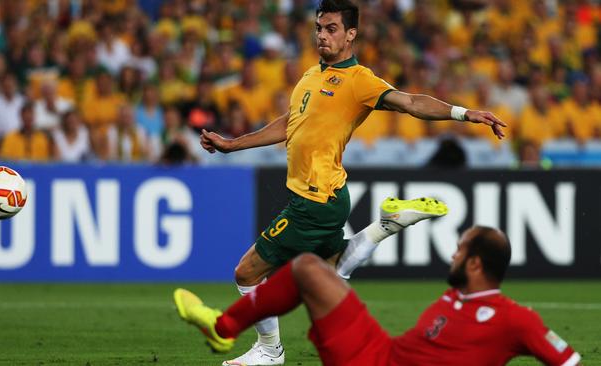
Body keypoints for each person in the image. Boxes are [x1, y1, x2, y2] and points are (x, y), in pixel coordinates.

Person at [198, 1, 506, 364]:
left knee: (247, 273)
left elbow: (410, 102)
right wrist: (234, 144)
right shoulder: (311, 75)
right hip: (327, 195)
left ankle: (270, 351)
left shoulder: (359, 80)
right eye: (318, 28)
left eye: (330, 29)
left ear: (350, 34)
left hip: (315, 199)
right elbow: (290, 123)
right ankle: (385, 227)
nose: (322, 36)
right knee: (335, 269)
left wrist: (463, 113)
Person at [174, 226, 581, 366]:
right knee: (307, 268)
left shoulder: (516, 320)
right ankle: (222, 327)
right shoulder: (455, 300)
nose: (453, 254)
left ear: (475, 264)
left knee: (308, 269)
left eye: (460, 249)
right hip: (380, 353)